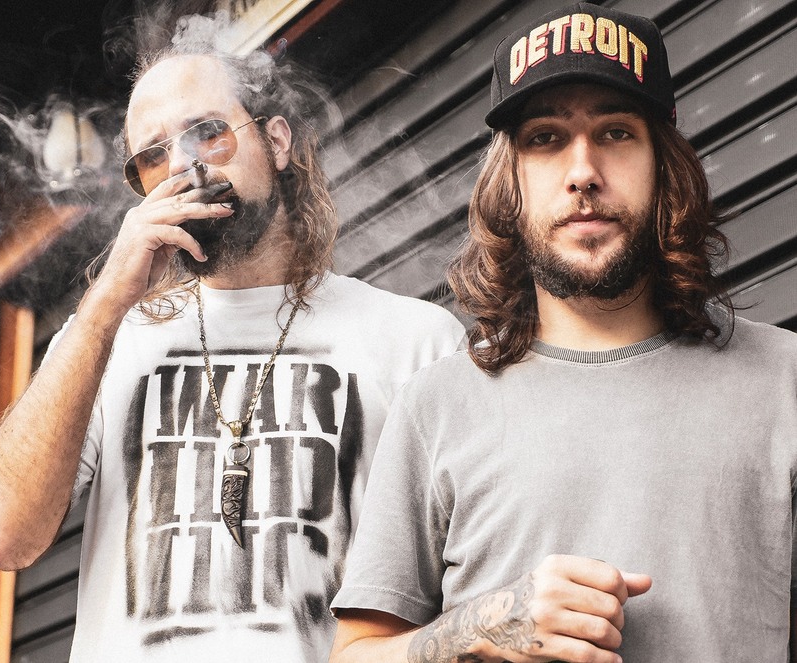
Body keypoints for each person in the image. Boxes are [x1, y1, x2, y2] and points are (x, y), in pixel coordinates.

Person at [0, 16, 466, 662]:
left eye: (208, 132)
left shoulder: (417, 341)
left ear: (276, 141)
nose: (183, 164)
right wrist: (105, 303)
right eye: (152, 156)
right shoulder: (106, 338)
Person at [329, 3, 797, 661]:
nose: (583, 171)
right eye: (546, 138)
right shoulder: (435, 406)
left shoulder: (784, 379)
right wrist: (478, 629)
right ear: (510, 182)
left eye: (616, 133)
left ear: (665, 166)